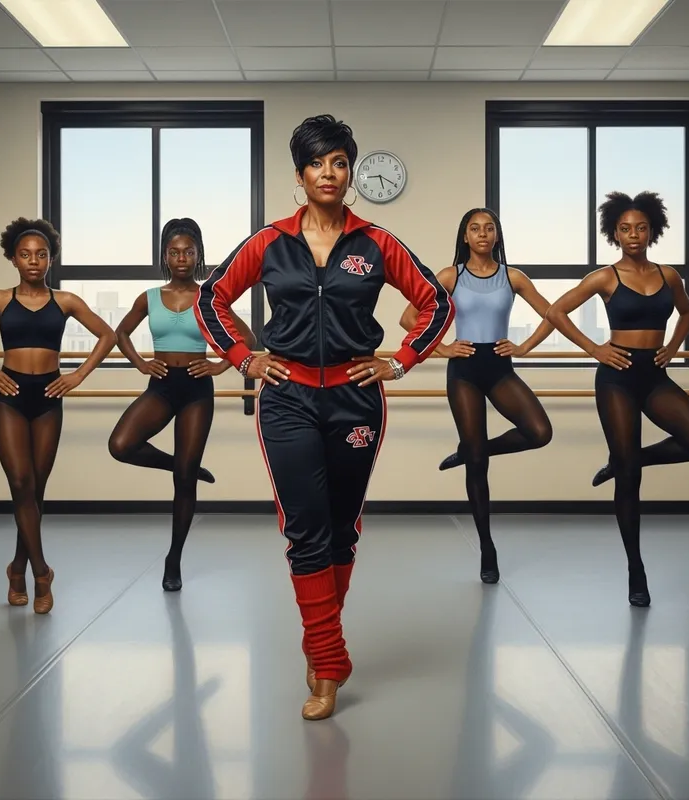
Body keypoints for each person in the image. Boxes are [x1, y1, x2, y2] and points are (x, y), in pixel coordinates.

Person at [195, 115, 454, 720]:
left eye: (339, 162)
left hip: (355, 400)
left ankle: (319, 641)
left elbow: (436, 303)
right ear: (300, 175)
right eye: (317, 164)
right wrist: (243, 356)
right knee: (305, 527)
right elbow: (212, 300)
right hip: (286, 400)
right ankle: (329, 659)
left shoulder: (376, 242)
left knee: (342, 527)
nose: (329, 173)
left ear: (350, 172)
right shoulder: (269, 242)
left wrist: (403, 360)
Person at [546, 191, 689, 607]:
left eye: (641, 227)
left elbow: (687, 314)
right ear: (614, 232)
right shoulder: (606, 276)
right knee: (630, 480)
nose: (633, 234)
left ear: (652, 229)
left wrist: (675, 346)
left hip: (654, 376)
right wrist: (596, 350)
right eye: (625, 228)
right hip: (616, 378)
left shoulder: (669, 275)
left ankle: (626, 457)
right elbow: (555, 312)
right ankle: (635, 571)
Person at [0, 217, 116, 613]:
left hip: (49, 398)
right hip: (10, 396)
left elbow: (107, 335)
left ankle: (16, 568)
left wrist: (78, 376)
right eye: (25, 255)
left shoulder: (66, 301)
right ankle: (42, 573)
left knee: (34, 491)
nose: (33, 261)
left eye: (41, 255)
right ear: (13, 259)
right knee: (20, 481)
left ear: (51, 259)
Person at [400, 207, 554, 584]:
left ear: (497, 236)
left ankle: (472, 446)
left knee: (539, 431)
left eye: (490, 228)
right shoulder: (451, 276)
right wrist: (444, 348)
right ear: (465, 237)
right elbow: (408, 318)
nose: (483, 234)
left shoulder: (513, 277)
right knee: (478, 466)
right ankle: (487, 547)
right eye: (475, 229)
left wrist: (525, 346)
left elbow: (553, 314)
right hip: (464, 371)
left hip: (499, 367)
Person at [108, 218, 255, 592]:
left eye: (188, 251)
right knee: (121, 444)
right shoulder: (150, 297)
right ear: (165, 256)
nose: (182, 258)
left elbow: (249, 338)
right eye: (174, 252)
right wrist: (140, 362)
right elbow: (120, 332)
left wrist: (221, 364)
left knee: (183, 482)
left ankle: (173, 559)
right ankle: (183, 465)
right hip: (160, 386)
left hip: (195, 390)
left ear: (198, 254)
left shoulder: (210, 299)